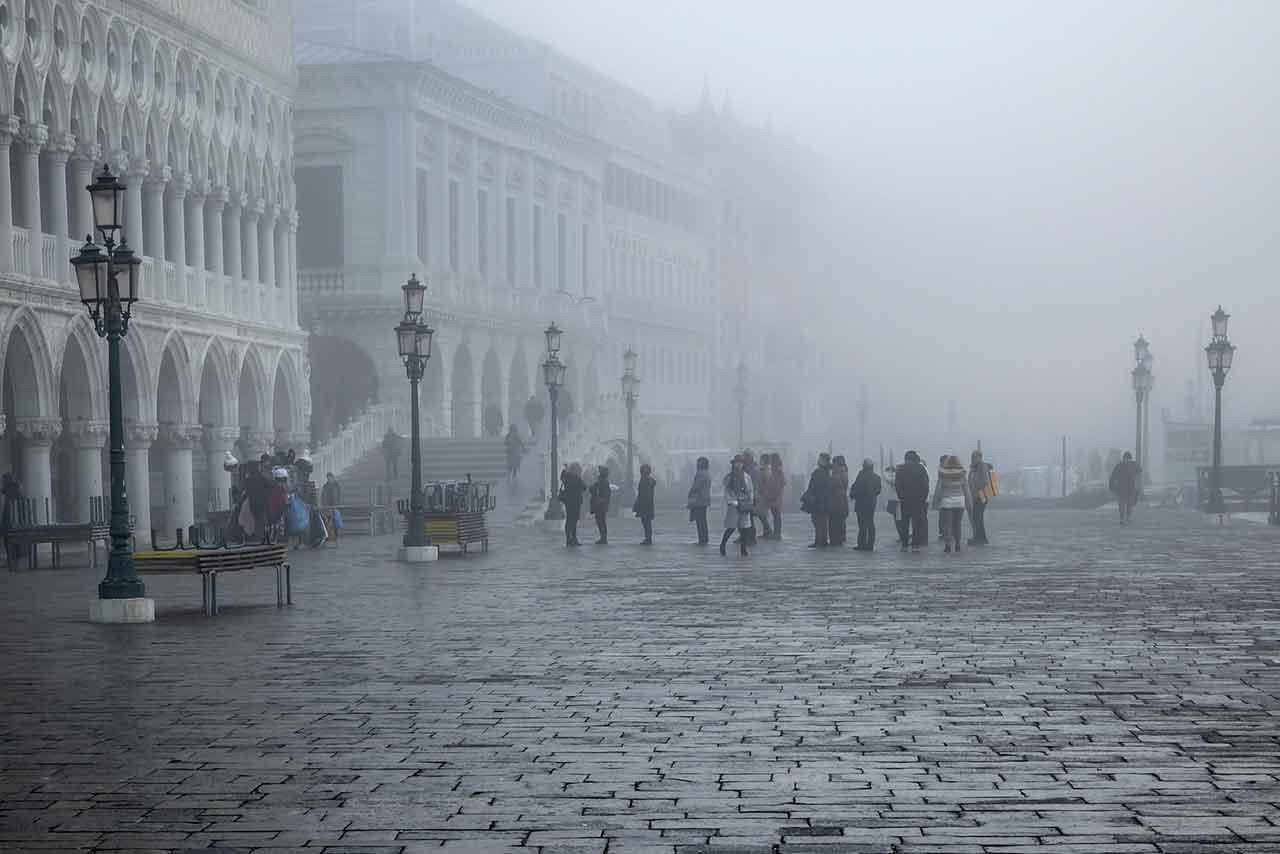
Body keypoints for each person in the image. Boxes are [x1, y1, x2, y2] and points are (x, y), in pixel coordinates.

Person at [932, 454, 973, 553]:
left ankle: (948, 546)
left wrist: (935, 502)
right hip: (960, 502)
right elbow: (967, 491)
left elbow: (938, 489)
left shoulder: (942, 475)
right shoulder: (962, 475)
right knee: (957, 524)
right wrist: (969, 504)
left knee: (947, 524)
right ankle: (958, 544)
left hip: (946, 501)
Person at [895, 450, 931, 552]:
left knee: (904, 523)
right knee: (917, 524)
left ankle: (904, 545)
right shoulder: (921, 468)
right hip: (918, 500)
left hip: (905, 500)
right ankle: (915, 545)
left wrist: (901, 497)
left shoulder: (900, 469)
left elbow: (897, 485)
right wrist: (923, 498)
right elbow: (925, 485)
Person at [720, 455, 754, 557]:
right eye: (737, 463)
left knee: (744, 528)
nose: (739, 464)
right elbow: (727, 491)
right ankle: (723, 544)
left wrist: (750, 501)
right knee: (731, 527)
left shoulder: (747, 477)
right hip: (734, 504)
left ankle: (743, 549)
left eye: (741, 463)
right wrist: (732, 501)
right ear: (734, 464)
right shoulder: (729, 477)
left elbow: (751, 490)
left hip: (745, 504)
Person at [801, 452, 832, 548]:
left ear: (824, 461)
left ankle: (819, 541)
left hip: (818, 500)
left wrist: (811, 496)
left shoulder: (821, 473)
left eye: (820, 459)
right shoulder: (826, 472)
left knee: (818, 522)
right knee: (821, 522)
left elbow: (816, 487)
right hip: (822, 500)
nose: (818, 461)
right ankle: (822, 540)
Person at [851, 459, 882, 551]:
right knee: (870, 523)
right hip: (871, 503)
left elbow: (855, 487)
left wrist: (853, 495)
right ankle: (870, 545)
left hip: (861, 503)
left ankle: (862, 544)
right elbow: (878, 490)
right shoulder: (877, 477)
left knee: (862, 524)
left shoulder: (861, 475)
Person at [968, 450, 996, 545]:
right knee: (976, 517)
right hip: (977, 495)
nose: (972, 459)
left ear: (980, 457)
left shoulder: (982, 466)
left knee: (977, 517)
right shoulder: (974, 467)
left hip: (982, 495)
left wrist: (975, 488)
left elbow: (985, 480)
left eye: (974, 457)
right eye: (972, 457)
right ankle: (979, 537)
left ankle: (980, 538)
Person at [1109, 451, 1142, 524]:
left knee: (1127, 504)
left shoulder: (1126, 465)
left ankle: (1126, 518)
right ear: (1124, 458)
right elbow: (1113, 477)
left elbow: (1139, 472)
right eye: (1126, 459)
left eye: (1128, 459)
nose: (1127, 460)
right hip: (1123, 488)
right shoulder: (1123, 465)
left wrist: (1112, 487)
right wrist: (1112, 487)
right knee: (1124, 504)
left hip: (1127, 488)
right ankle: (1124, 518)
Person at [746, 451, 772, 540]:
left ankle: (767, 530)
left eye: (762, 460)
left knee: (760, 513)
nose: (760, 461)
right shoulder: (762, 469)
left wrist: (761, 490)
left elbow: (765, 482)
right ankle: (767, 530)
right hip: (760, 494)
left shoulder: (766, 470)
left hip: (762, 495)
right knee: (760, 514)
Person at [559, 462, 587, 546]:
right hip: (575, 502)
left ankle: (568, 539)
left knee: (569, 520)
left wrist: (565, 470)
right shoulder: (576, 478)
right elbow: (584, 487)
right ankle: (574, 538)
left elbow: (562, 476)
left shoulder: (566, 477)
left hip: (568, 502)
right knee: (574, 521)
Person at [687, 456, 712, 545]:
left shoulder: (700, 473)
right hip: (705, 499)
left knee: (700, 521)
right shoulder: (707, 473)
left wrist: (690, 493)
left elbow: (696, 486)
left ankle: (702, 538)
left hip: (699, 500)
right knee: (703, 520)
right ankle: (704, 538)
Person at [828, 455, 850, 547]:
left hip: (837, 501)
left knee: (835, 522)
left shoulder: (838, 473)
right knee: (840, 521)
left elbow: (835, 485)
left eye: (834, 462)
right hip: (841, 501)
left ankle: (836, 540)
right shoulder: (843, 472)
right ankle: (840, 539)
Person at [761, 454, 785, 540]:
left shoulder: (776, 471)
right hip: (775, 496)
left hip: (774, 497)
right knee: (776, 515)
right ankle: (776, 533)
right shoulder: (778, 471)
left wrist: (770, 495)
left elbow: (776, 485)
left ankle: (777, 534)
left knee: (776, 515)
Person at [633, 463, 656, 544]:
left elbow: (646, 494)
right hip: (645, 504)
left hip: (645, 504)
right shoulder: (647, 480)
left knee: (646, 522)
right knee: (645, 522)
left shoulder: (646, 480)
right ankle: (648, 538)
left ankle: (648, 539)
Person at [589, 466, 612, 544]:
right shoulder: (602, 481)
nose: (598, 473)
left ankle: (603, 538)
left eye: (600, 471)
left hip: (600, 505)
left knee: (600, 521)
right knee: (601, 521)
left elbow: (595, 490)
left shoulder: (603, 482)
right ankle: (603, 537)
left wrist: (600, 500)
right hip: (601, 504)